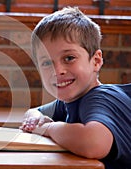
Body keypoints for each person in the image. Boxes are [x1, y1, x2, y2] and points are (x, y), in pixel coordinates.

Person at [19, 7, 131, 169]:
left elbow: (94, 143)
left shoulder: (100, 98)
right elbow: (34, 112)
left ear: (96, 61)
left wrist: (47, 128)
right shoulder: (70, 100)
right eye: (47, 63)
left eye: (69, 58)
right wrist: (35, 119)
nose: (58, 71)